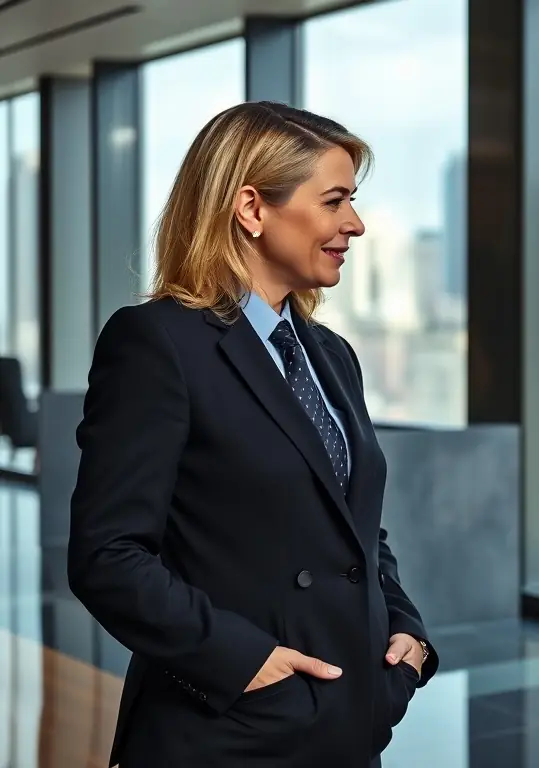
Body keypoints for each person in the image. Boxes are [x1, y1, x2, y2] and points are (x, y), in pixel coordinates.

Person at [67, 101, 438, 768]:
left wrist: (406, 638)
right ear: (251, 208)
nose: (354, 224)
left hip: (348, 727)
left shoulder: (332, 355)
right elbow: (109, 554)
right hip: (226, 734)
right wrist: (245, 664)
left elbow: (355, 532)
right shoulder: (157, 343)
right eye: (334, 201)